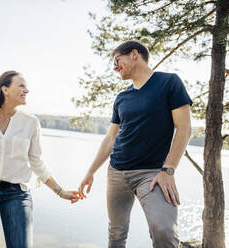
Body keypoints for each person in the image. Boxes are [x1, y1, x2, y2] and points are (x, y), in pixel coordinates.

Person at [78, 40, 192, 248]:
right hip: (117, 173)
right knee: (116, 234)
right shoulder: (122, 97)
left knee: (163, 231)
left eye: (116, 60)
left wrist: (168, 170)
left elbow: (184, 129)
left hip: (152, 174)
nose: (114, 67)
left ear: (133, 54)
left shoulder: (169, 83)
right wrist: (90, 171)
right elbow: (111, 138)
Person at [0, 70, 80, 248]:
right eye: (21, 86)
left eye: (26, 87)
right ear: (5, 90)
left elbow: (37, 163)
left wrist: (60, 192)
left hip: (16, 194)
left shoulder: (31, 123)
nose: (26, 91)